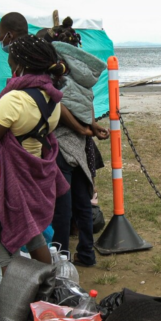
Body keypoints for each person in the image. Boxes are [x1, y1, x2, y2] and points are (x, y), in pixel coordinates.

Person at [0, 34, 68, 270]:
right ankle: (46, 286)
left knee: (5, 250)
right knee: (34, 237)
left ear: (20, 64)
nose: (8, 63)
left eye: (10, 58)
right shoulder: (53, 99)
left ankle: (12, 301)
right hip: (36, 176)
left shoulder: (14, 99)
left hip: (9, 180)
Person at [41, 23, 109, 267]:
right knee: (82, 202)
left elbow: (58, 106)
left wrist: (82, 128)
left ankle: (62, 258)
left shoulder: (54, 75)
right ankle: (87, 253)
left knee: (63, 206)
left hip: (61, 143)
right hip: (81, 147)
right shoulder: (82, 75)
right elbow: (87, 103)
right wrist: (90, 127)